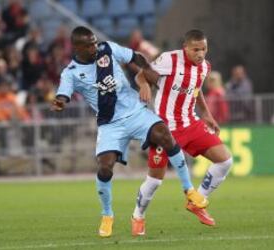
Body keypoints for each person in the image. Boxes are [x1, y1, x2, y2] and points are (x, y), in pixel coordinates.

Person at [50, 26, 208, 238]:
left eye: (95, 42)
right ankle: (107, 215)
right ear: (77, 47)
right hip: (110, 124)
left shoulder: (108, 49)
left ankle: (189, 190)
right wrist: (60, 102)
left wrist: (148, 70)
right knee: (105, 168)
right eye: (89, 45)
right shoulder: (70, 73)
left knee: (165, 135)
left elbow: (136, 56)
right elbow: (63, 94)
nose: (94, 47)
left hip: (135, 112)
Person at [135, 30, 233, 233]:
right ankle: (138, 215)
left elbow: (195, 90)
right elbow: (140, 74)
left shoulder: (204, 67)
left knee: (225, 160)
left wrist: (206, 113)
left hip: (190, 124)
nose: (200, 54)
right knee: (154, 181)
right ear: (185, 48)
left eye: (204, 49)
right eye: (196, 49)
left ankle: (198, 201)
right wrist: (144, 85)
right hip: (164, 129)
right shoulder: (169, 60)